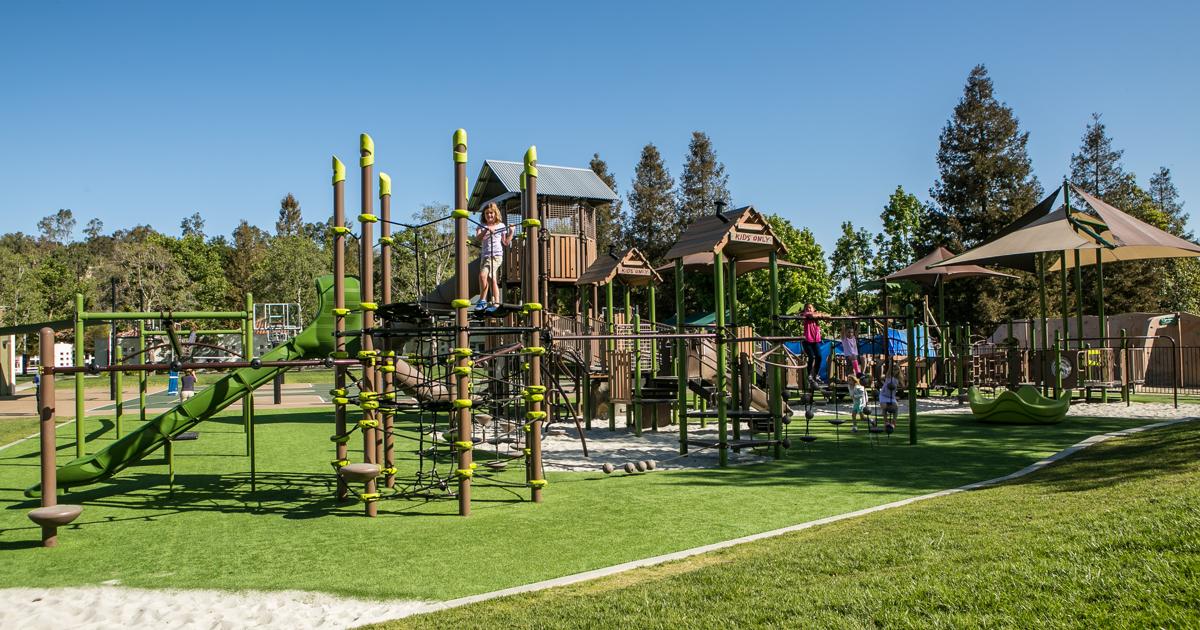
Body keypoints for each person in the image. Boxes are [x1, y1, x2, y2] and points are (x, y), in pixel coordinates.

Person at [475, 202, 513, 311]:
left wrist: (511, 232)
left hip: (496, 256)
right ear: (484, 215)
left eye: (491, 213)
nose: (489, 215)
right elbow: (478, 238)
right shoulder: (481, 226)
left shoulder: (501, 226)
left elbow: (505, 242)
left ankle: (482, 300)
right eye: (487, 213)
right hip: (485, 256)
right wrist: (486, 230)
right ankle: (496, 303)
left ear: (495, 214)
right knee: (491, 279)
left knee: (483, 276)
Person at [799, 304, 827, 386]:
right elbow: (811, 315)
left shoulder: (815, 316)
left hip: (815, 340)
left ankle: (816, 375)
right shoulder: (805, 315)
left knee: (819, 357)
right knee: (811, 357)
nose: (808, 309)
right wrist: (820, 315)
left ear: (813, 309)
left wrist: (821, 315)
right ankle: (809, 375)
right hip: (807, 340)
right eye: (806, 308)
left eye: (810, 308)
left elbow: (825, 316)